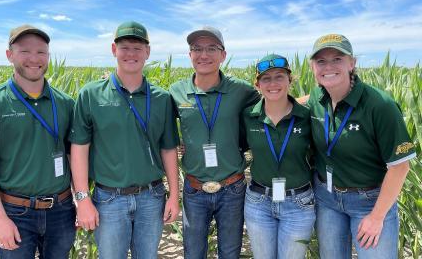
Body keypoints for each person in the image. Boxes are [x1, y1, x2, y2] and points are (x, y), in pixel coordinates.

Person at [69, 21, 180, 259]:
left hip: (152, 197)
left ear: (147, 52)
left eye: (138, 48)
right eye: (125, 47)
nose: (131, 53)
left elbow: (169, 149)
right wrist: (82, 199)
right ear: (113, 50)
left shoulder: (162, 98)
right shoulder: (90, 94)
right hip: (109, 199)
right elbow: (79, 150)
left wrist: (173, 196)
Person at [0, 24, 76, 258]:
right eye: (25, 51)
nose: (34, 59)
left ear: (48, 57)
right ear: (9, 55)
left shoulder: (65, 103)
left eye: (41, 52)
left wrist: (81, 201)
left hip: (61, 209)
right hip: (15, 212)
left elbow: (73, 156)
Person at [308, 34, 416, 258]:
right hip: (327, 199)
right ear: (312, 67)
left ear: (352, 63)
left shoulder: (379, 105)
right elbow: (293, 103)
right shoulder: (317, 99)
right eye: (321, 61)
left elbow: (400, 167)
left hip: (370, 202)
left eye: (337, 59)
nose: (328, 66)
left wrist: (377, 217)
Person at [169, 26, 259, 258]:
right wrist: (181, 141)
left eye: (211, 48)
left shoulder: (242, 90)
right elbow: (160, 126)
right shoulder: (176, 92)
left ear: (223, 55)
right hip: (194, 188)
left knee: (230, 252)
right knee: (193, 252)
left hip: (233, 188)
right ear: (189, 55)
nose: (204, 55)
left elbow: (276, 100)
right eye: (196, 49)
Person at [242, 54, 315, 258]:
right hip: (258, 202)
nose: (273, 83)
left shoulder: (307, 115)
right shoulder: (248, 116)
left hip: (299, 204)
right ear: (257, 84)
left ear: (290, 80)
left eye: (279, 76)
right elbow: (231, 144)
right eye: (266, 78)